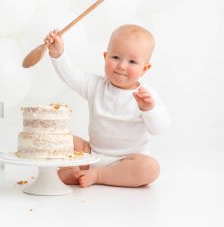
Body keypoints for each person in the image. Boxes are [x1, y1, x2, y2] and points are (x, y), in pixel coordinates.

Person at [45, 24, 171, 188]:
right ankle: (79, 170)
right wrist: (58, 54)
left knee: (150, 168)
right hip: (92, 154)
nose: (122, 66)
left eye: (132, 61)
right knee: (58, 139)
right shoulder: (95, 85)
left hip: (127, 161)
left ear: (144, 69)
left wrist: (149, 109)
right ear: (106, 57)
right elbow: (72, 75)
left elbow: (159, 129)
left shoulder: (146, 95)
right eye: (116, 57)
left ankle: (98, 175)